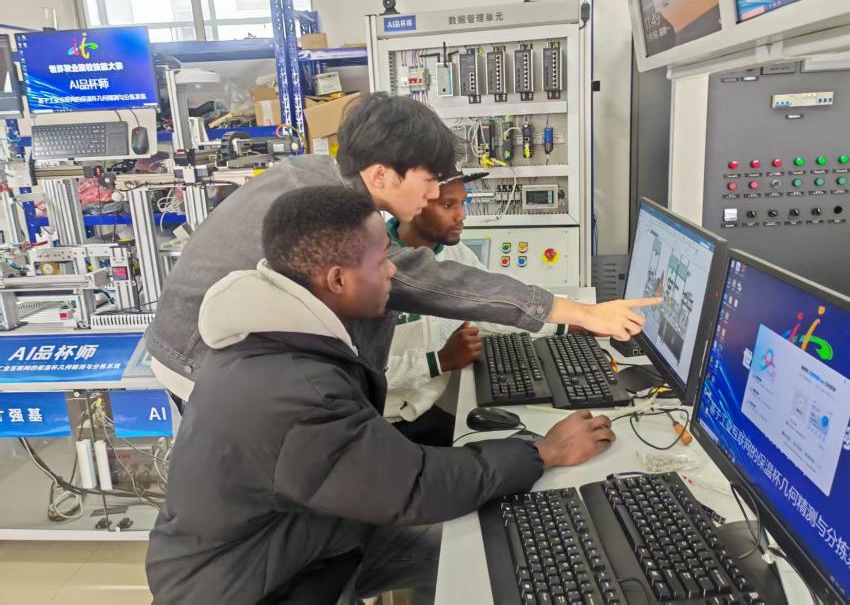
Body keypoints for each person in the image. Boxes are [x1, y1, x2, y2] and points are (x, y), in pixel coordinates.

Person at [146, 186, 618, 605]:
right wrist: (542, 451)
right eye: (381, 261)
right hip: (260, 588)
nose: (394, 270)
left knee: (487, 535)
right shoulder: (295, 392)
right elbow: (415, 486)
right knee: (501, 547)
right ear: (337, 280)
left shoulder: (273, 341)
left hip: (307, 543)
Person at [146, 93, 659, 402]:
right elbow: (428, 280)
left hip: (197, 345)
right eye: (430, 179)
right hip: (197, 359)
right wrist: (581, 313)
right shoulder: (336, 212)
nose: (435, 195)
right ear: (381, 175)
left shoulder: (314, 173)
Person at [384, 169, 584, 446]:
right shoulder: (373, 267)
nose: (461, 216)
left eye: (463, 203)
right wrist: (439, 361)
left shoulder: (455, 253)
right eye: (448, 205)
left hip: (424, 410)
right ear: (413, 204)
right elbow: (358, 373)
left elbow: (492, 307)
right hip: (385, 421)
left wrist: (567, 324)